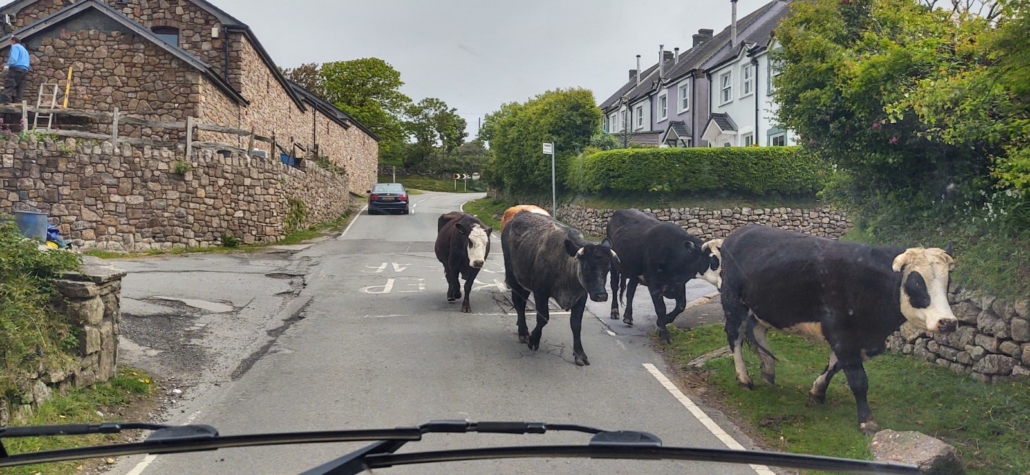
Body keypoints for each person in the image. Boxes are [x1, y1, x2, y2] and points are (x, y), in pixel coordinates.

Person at [2, 36, 30, 104]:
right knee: (20, 87)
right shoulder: (24, 50)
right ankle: (18, 102)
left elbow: (13, 59)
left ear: (13, 40)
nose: (10, 43)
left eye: (10, 41)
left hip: (16, 68)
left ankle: (7, 102)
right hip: (24, 69)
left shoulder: (15, 47)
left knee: (9, 84)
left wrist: (7, 66)